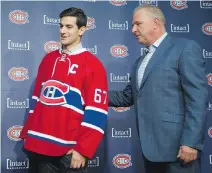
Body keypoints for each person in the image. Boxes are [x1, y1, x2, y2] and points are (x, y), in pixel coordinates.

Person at [109, 5, 208, 173]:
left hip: (179, 150)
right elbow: (127, 97)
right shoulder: (139, 62)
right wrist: (87, 95)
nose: (133, 30)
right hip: (150, 151)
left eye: (138, 24)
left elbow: (197, 99)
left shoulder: (184, 48)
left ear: (155, 23)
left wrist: (190, 142)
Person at [20, 7, 108, 173]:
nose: (63, 31)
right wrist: (28, 133)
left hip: (68, 153)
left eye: (69, 27)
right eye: (61, 26)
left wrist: (83, 150)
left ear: (82, 30)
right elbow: (36, 101)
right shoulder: (48, 59)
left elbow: (97, 112)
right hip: (37, 146)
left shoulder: (93, 65)